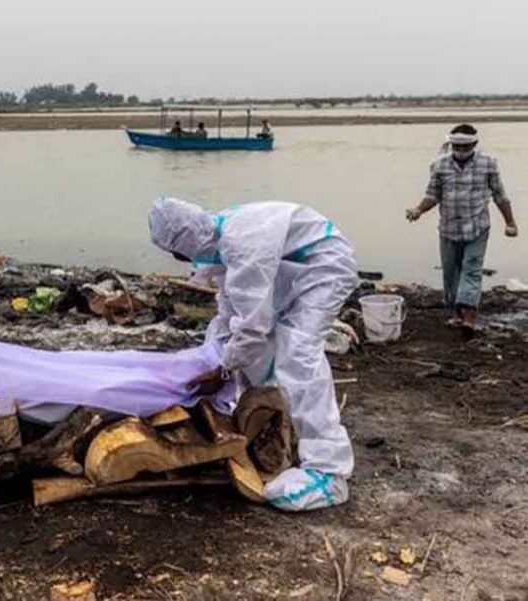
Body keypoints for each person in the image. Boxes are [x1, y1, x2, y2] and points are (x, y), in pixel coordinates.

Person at [149, 197, 357, 511]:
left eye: (179, 252)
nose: (181, 258)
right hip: (292, 267)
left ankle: (329, 472)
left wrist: (222, 370)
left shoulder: (242, 241)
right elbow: (229, 313)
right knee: (261, 347)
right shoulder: (220, 241)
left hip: (323, 267)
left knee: (298, 351)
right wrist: (212, 356)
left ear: (188, 238)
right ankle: (268, 414)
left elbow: (252, 326)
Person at [406, 124, 517, 332]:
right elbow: (433, 195)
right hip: (448, 228)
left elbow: (499, 195)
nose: (461, 151)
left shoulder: (488, 164)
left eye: (465, 147)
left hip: (477, 227)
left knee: (472, 270)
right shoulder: (440, 165)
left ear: (474, 144)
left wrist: (510, 222)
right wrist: (418, 210)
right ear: (451, 145)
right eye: (456, 147)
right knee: (451, 272)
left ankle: (469, 318)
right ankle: (457, 315)